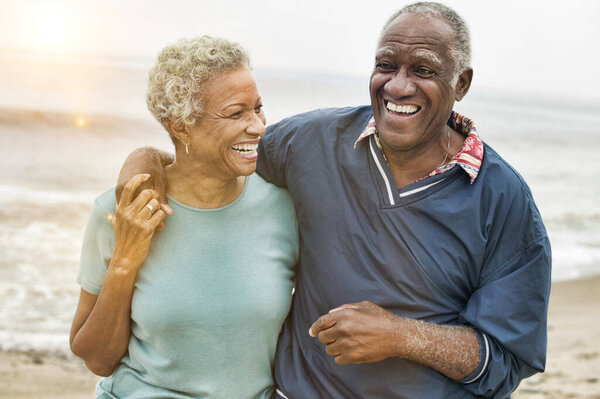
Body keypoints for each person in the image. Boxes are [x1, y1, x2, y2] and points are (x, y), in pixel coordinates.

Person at [117, 3, 551, 398]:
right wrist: (143, 164)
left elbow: (508, 359)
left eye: (423, 70)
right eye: (386, 65)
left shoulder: (504, 199)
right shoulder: (312, 141)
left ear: (461, 83)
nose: (399, 86)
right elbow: (213, 156)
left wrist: (401, 336)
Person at [69, 36, 298, 398]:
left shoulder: (284, 209)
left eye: (258, 108)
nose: (257, 126)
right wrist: (125, 261)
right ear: (180, 125)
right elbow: (97, 359)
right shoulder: (119, 211)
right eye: (236, 113)